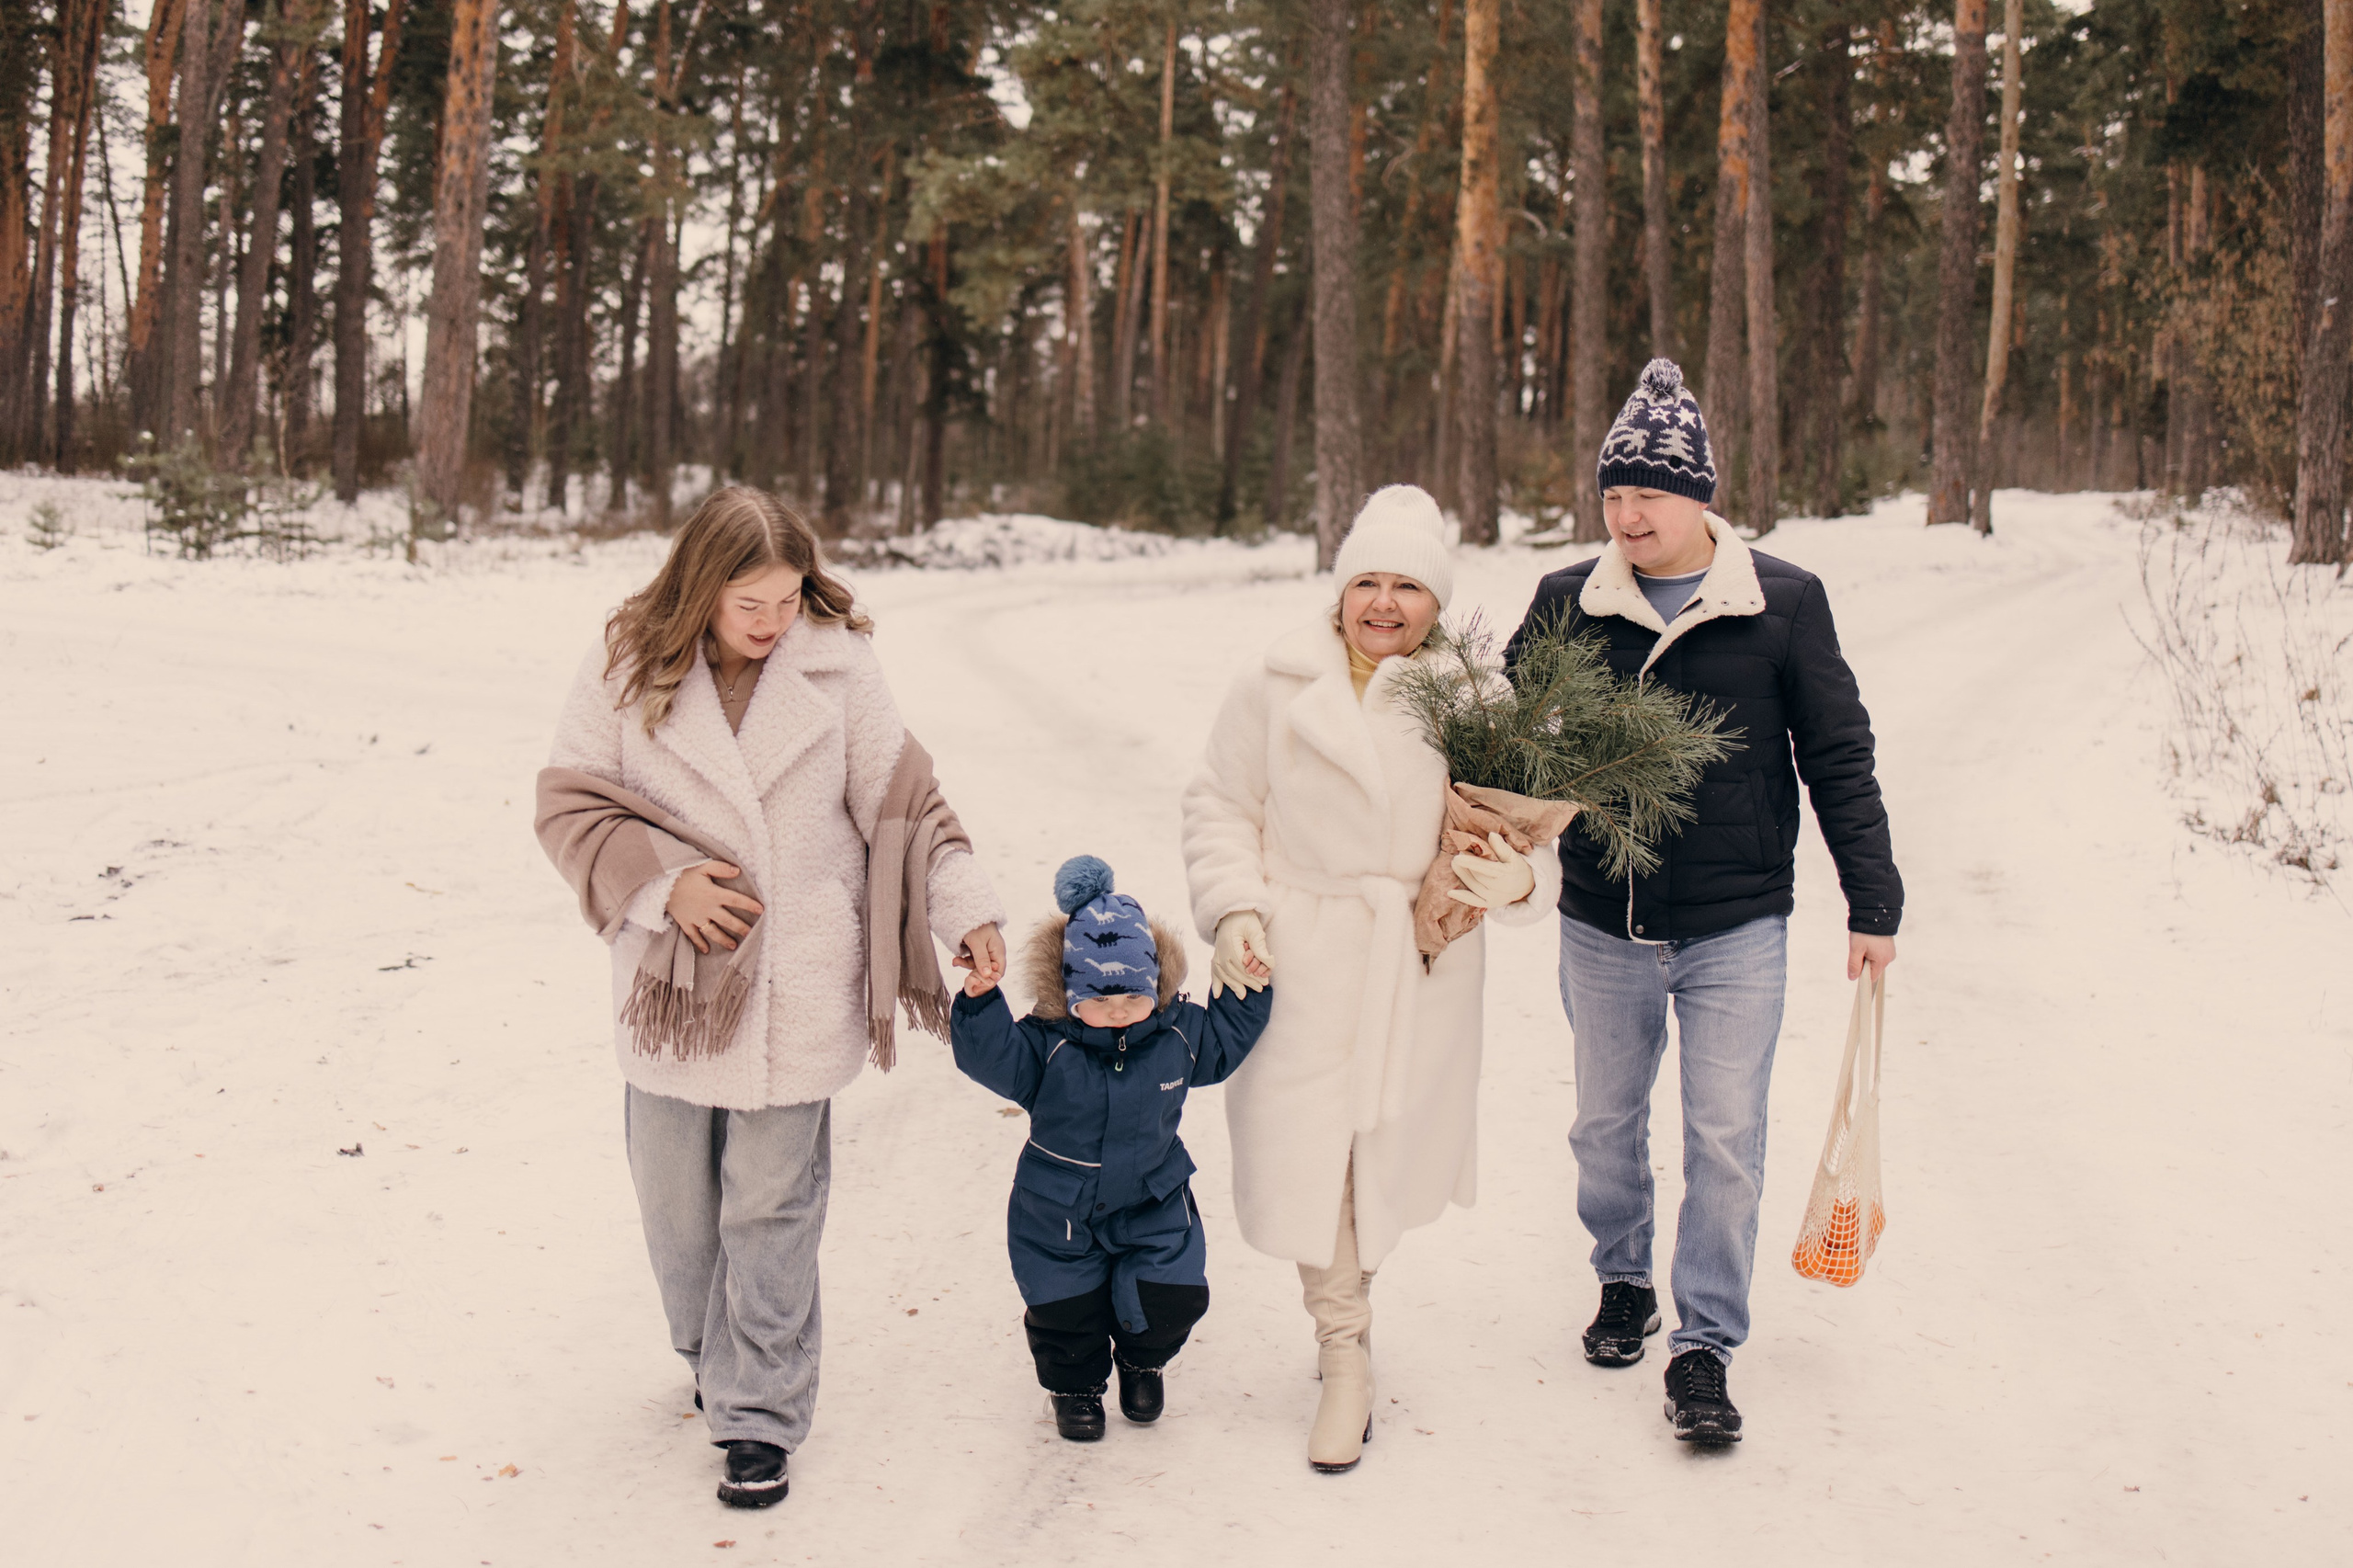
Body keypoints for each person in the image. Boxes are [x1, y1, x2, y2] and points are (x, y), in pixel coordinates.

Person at [537, 486, 1006, 1506]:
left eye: (788, 598)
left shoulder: (838, 664)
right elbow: (569, 802)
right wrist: (664, 886)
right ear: (699, 586)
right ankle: (710, 1353)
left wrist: (964, 909)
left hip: (799, 979)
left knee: (771, 1207)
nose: (772, 621)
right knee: (678, 1213)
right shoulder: (627, 660)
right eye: (749, 602)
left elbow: (903, 801)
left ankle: (758, 1412)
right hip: (676, 986)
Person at [1503, 359, 1904, 1445]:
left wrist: (1872, 899)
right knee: (1603, 1124)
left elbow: (1837, 754)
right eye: (1613, 495)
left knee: (1725, 1137)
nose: (1627, 516)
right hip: (1604, 919)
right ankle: (1623, 1276)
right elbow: (1505, 748)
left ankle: (1704, 1343)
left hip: (1737, 925)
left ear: (1700, 496)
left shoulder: (1782, 600)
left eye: (1649, 494)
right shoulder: (1568, 601)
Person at [1182, 485, 1561, 1472]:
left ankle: (1347, 1318)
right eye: (1367, 582)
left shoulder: (1473, 699)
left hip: (1418, 963)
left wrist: (1521, 880)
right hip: (1298, 952)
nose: (1384, 603)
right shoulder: (1274, 681)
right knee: (1315, 1159)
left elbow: (1525, 832)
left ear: (1438, 601)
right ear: (1341, 588)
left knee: (1378, 1159)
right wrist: (1235, 908)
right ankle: (1343, 1348)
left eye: (1408, 586)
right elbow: (1220, 802)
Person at [949, 856, 1273, 1442]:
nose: (1118, 1009)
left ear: (1154, 984)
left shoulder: (1178, 1034)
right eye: (1099, 998)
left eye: (1132, 994)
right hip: (1059, 1207)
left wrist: (1248, 989)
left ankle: (1143, 1362)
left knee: (1168, 1292)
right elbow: (992, 1058)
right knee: (1064, 1304)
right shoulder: (1047, 1047)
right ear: (1071, 994)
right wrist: (979, 1004)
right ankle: (1075, 1388)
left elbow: (1225, 1042)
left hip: (1153, 1197)